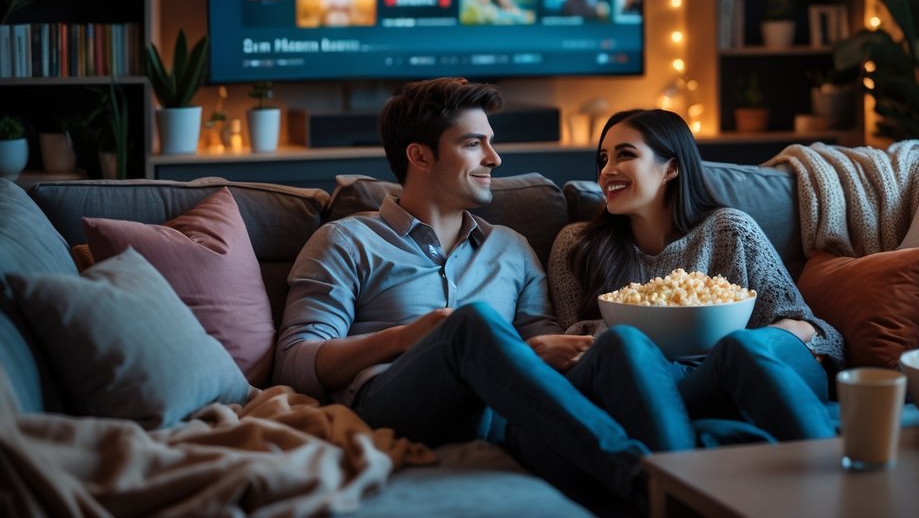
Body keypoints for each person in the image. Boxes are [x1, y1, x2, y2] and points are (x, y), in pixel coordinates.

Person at [274, 79, 696, 514]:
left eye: (490, 143)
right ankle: (653, 484)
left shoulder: (512, 248)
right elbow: (294, 362)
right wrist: (409, 336)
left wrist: (544, 348)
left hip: (503, 411)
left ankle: (691, 482)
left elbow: (542, 341)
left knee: (622, 343)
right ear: (419, 155)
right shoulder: (346, 241)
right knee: (470, 323)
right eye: (474, 144)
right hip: (397, 403)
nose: (494, 158)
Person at [547, 108, 845, 443]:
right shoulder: (577, 247)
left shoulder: (730, 231)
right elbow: (570, 347)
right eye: (603, 159)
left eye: (625, 155)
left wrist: (741, 342)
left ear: (671, 168)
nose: (606, 172)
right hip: (655, 381)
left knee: (739, 348)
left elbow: (807, 326)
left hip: (740, 368)